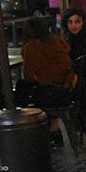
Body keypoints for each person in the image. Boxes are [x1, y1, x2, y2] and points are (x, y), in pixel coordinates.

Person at [15, 16, 76, 145]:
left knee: (22, 89)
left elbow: (29, 76)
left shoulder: (32, 48)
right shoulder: (59, 42)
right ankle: (54, 128)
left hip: (50, 94)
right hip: (67, 90)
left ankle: (25, 131)